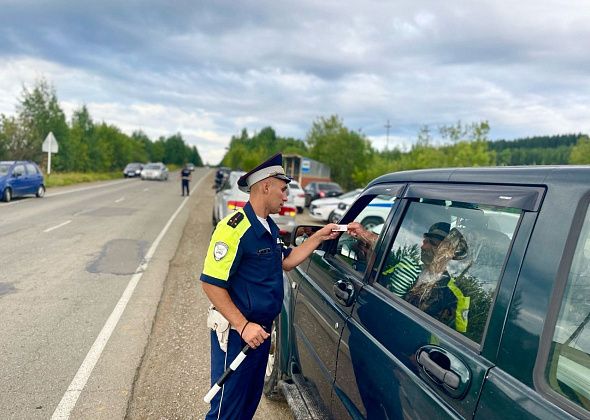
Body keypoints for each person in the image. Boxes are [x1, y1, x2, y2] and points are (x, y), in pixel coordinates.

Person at [200, 152, 339, 420]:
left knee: (247, 405)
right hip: (237, 334)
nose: (287, 196)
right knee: (225, 409)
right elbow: (211, 284)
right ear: (266, 186)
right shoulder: (234, 228)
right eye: (283, 189)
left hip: (260, 333)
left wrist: (320, 236)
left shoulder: (269, 226)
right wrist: (242, 325)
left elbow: (286, 261)